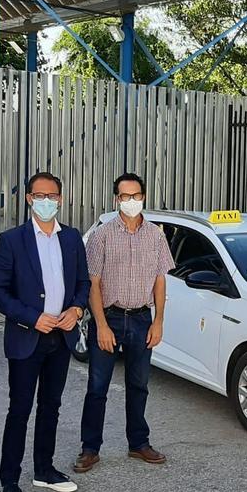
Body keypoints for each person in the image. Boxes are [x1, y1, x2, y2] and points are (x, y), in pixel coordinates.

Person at [0, 172, 91, 492]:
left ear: (60, 199)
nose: (47, 201)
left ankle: (44, 470)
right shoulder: (12, 240)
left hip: (61, 337)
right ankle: (10, 482)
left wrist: (76, 308)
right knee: (20, 409)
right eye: (40, 195)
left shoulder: (72, 238)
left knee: (51, 406)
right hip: (27, 337)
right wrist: (32, 317)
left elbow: (83, 282)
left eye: (53, 195)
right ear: (29, 198)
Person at [76, 172, 174, 473]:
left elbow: (160, 280)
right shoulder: (102, 235)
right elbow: (92, 283)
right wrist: (101, 325)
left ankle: (138, 443)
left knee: (139, 384)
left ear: (143, 196)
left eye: (136, 195)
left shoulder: (156, 235)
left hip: (142, 318)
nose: (131, 201)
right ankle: (90, 449)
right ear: (117, 199)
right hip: (111, 317)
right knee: (97, 387)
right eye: (125, 196)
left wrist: (158, 322)